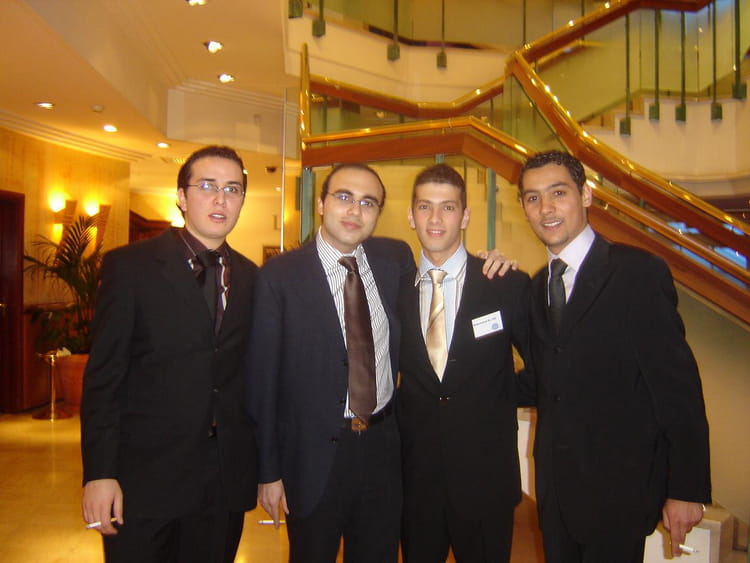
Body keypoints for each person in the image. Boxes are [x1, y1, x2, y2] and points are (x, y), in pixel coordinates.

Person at [517, 150, 711, 563]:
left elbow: (677, 388)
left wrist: (687, 488)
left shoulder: (637, 273)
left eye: (558, 193)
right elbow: (543, 380)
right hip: (556, 494)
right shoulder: (536, 287)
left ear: (586, 195)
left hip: (619, 495)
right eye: (533, 198)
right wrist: (463, 378)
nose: (546, 208)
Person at [80, 145, 258, 563]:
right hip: (144, 480)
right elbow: (104, 377)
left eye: (232, 189)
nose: (221, 199)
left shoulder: (252, 277)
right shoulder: (131, 267)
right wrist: (100, 473)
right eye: (207, 186)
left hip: (221, 482)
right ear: (181, 196)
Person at [246, 162, 414, 563]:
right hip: (313, 454)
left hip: (382, 447)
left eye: (368, 202)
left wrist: (487, 264)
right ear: (320, 204)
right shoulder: (279, 276)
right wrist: (268, 472)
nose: (355, 211)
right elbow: (262, 381)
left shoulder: (395, 259)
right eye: (344, 197)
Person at [397, 164, 532, 563]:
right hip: (416, 483)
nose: (435, 219)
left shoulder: (506, 284)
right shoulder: (395, 289)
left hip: (485, 481)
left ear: (466, 216)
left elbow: (546, 368)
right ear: (411, 216)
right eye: (425, 207)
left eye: (448, 207)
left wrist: (499, 393)